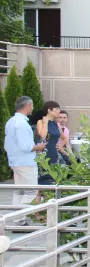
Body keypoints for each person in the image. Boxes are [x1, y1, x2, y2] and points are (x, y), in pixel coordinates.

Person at [4, 97, 45, 226]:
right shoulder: (21, 123)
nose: (33, 108)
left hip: (15, 161)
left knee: (20, 191)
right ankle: (19, 217)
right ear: (27, 106)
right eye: (32, 106)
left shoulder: (11, 121)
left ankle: (18, 220)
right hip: (25, 162)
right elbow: (25, 146)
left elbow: (8, 144)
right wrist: (38, 147)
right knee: (31, 192)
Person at [35, 101, 66, 185]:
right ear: (49, 110)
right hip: (44, 152)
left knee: (54, 176)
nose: (59, 111)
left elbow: (64, 138)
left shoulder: (56, 124)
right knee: (43, 176)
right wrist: (46, 122)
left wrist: (60, 146)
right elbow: (43, 136)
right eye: (57, 109)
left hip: (54, 152)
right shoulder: (40, 122)